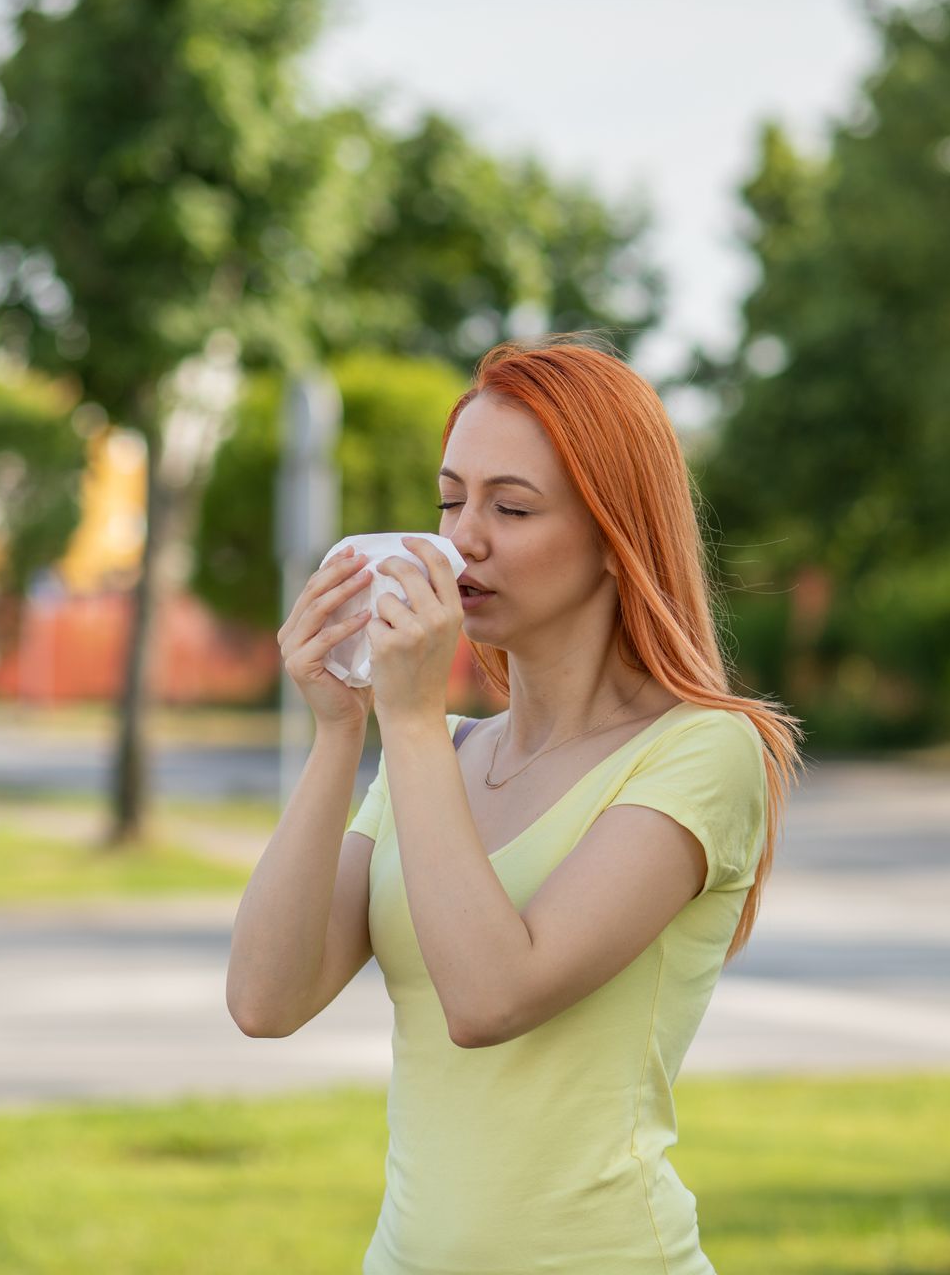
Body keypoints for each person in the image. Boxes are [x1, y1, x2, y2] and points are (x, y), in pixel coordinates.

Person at [226, 334, 804, 1273]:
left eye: (514, 506)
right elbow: (264, 999)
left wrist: (407, 724)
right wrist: (343, 729)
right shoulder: (442, 751)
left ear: (618, 538)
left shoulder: (705, 751)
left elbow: (492, 998)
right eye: (451, 499)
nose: (463, 540)